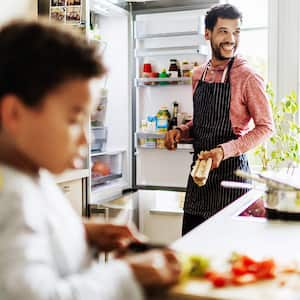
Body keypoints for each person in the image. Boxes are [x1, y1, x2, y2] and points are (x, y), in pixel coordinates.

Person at [0, 20, 181, 300]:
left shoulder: (32, 175)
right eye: (74, 120)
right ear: (14, 114)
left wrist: (81, 231)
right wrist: (128, 274)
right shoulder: (8, 196)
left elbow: (25, 241)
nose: (85, 140)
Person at [165, 4, 273, 235]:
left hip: (232, 182)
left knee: (228, 257)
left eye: (236, 32)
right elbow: (200, 124)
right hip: (199, 179)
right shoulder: (198, 74)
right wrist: (182, 131)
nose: (231, 39)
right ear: (207, 33)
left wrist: (223, 151)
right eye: (223, 31)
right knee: (191, 251)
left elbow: (265, 127)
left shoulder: (248, 76)